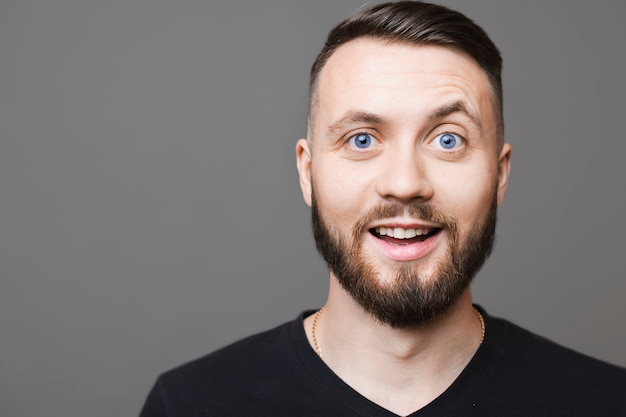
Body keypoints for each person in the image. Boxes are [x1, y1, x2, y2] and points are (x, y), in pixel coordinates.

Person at [139, 2, 626, 416]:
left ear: (499, 175)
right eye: (363, 139)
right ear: (308, 172)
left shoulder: (606, 402)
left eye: (448, 140)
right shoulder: (190, 404)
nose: (404, 184)